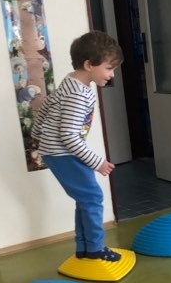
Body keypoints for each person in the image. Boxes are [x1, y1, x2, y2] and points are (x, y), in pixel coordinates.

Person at [32, 30, 123, 261]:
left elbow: (46, 105)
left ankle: (84, 247)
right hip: (63, 153)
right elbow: (69, 136)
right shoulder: (78, 95)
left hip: (59, 152)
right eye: (109, 68)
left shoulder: (70, 82)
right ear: (89, 64)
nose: (112, 75)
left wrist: (37, 133)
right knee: (92, 197)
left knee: (85, 198)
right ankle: (95, 249)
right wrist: (98, 162)